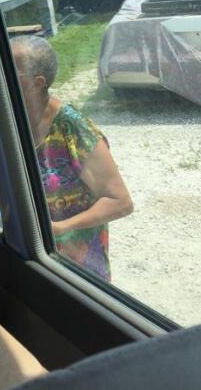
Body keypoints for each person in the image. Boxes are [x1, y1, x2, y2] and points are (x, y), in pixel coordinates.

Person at [11, 35, 133, 281]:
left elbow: (120, 202)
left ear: (37, 83)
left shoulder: (73, 128)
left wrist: (61, 228)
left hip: (78, 272)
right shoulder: (13, 119)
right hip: (32, 256)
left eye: (11, 70)